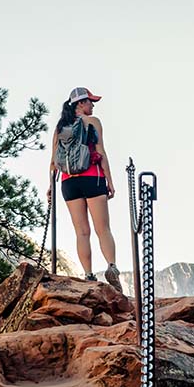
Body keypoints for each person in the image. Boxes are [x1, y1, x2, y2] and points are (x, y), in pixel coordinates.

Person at [48, 87, 123, 292]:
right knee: (103, 229)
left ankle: (88, 275)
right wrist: (109, 181)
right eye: (90, 101)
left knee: (81, 232)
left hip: (68, 182)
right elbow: (101, 152)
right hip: (92, 178)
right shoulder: (93, 122)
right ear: (80, 103)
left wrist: (50, 186)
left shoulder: (61, 126)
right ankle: (112, 267)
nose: (93, 105)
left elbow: (53, 161)